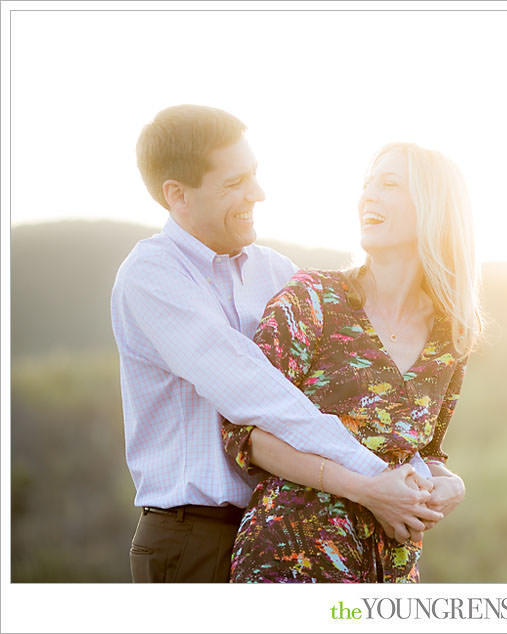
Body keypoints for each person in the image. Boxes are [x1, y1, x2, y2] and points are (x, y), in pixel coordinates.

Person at [111, 105, 439, 583]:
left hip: (281, 533)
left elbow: (347, 391)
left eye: (254, 175)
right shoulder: (151, 276)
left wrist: (426, 476)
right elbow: (253, 391)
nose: (258, 194)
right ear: (177, 196)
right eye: (234, 183)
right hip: (191, 538)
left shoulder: (275, 273)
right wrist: (373, 476)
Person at [220, 142, 481, 582]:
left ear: (434, 207)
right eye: (366, 186)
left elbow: (421, 452)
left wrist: (450, 484)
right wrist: (367, 491)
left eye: (389, 184)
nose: (368, 197)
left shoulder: (450, 337)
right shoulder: (312, 299)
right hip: (291, 559)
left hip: (389, 573)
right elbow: (244, 431)